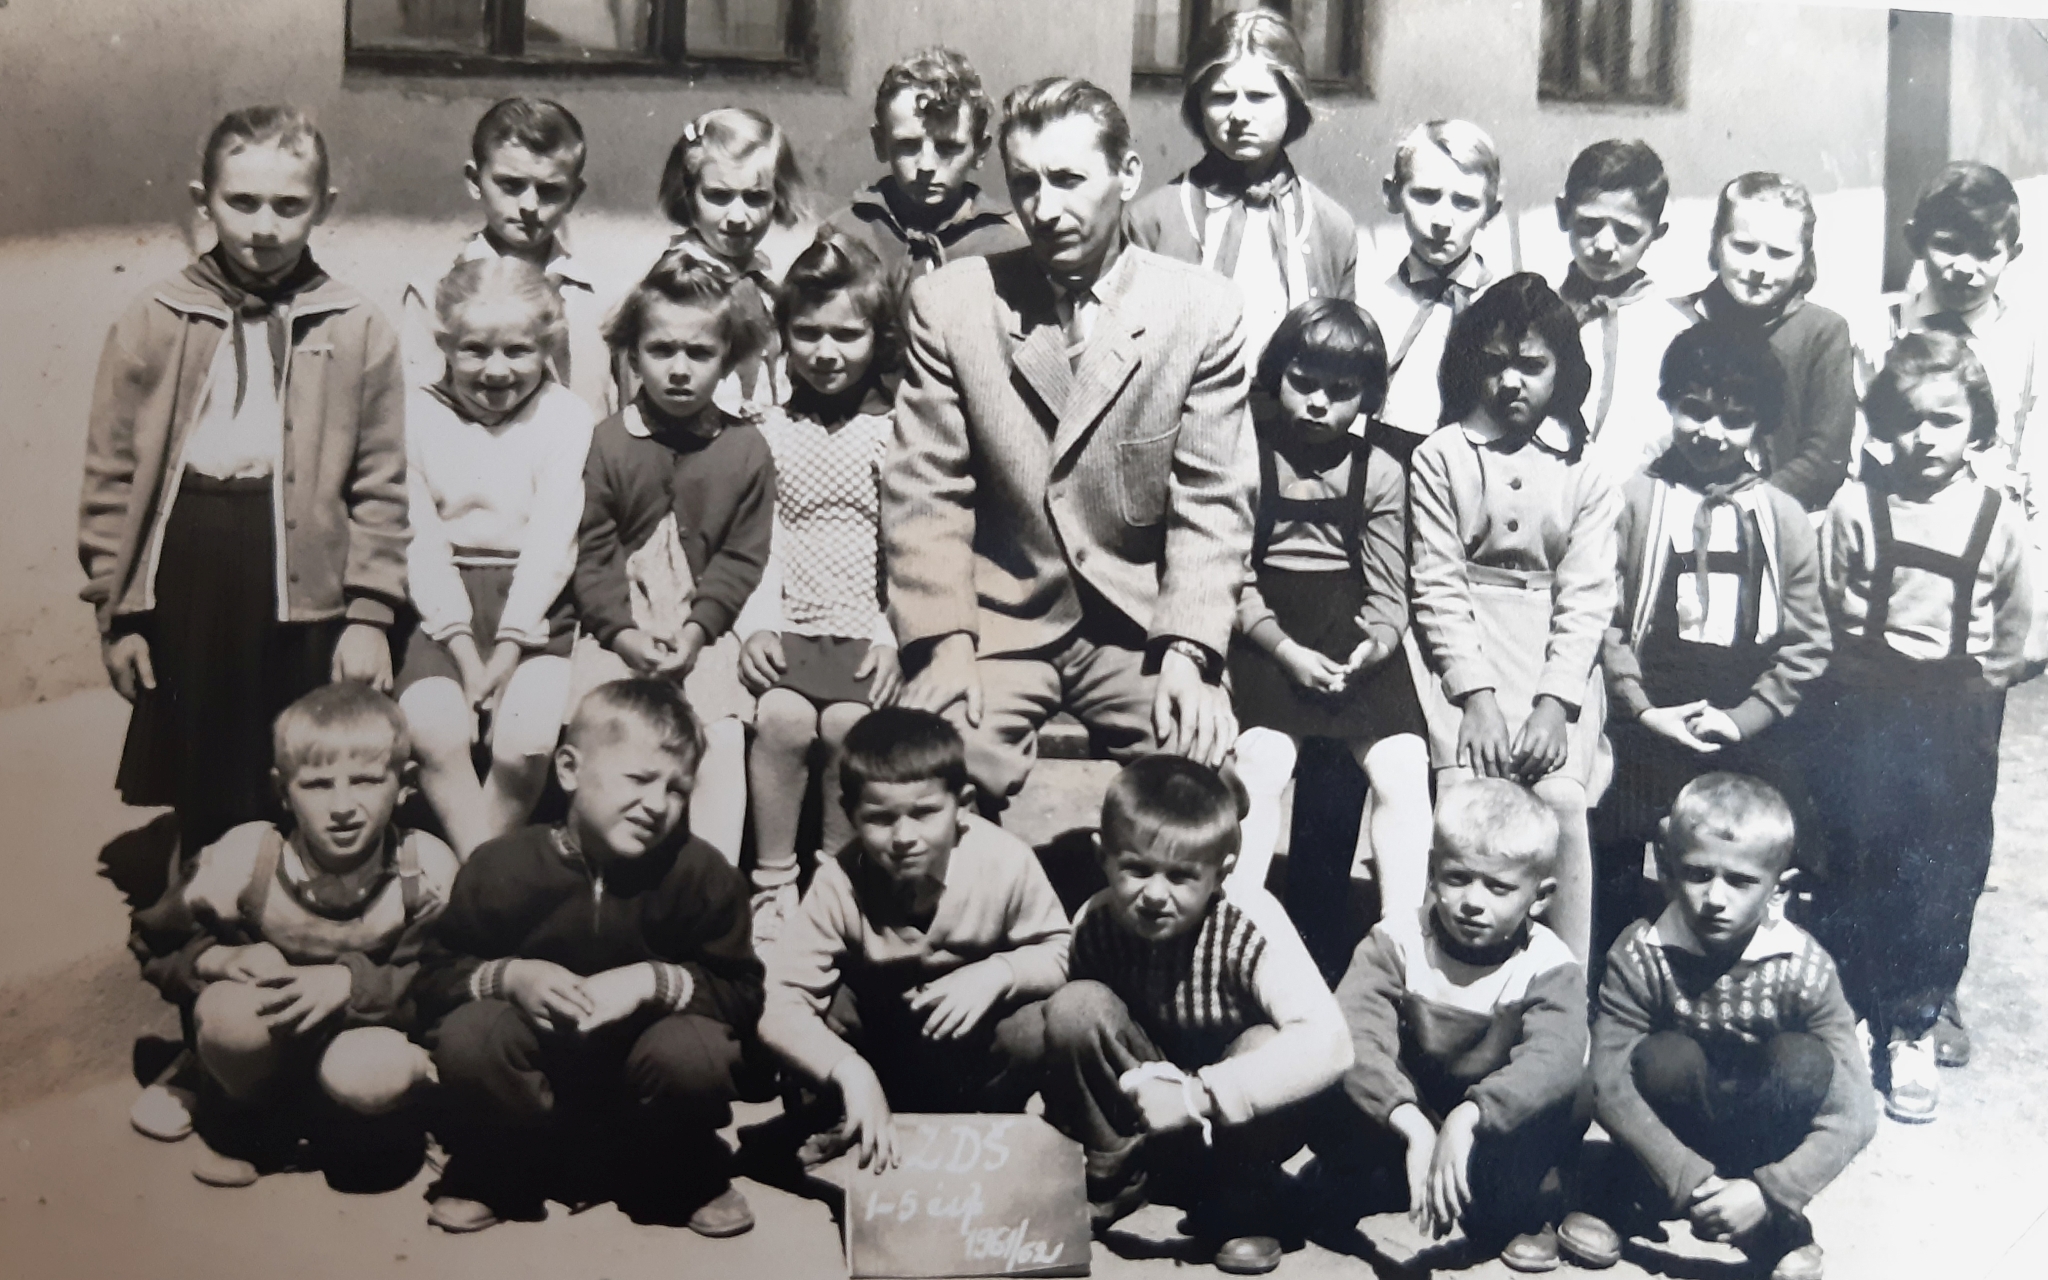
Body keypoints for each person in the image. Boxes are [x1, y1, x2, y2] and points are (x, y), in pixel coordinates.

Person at [886, 77, 1251, 808]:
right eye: (1025, 183)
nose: (1045, 209)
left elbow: (1212, 506)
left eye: (1068, 179)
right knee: (925, 779)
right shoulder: (953, 304)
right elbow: (927, 493)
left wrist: (1189, 654)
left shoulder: (1202, 311)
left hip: (1140, 631)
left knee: (1197, 791)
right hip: (998, 623)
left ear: (1128, 175)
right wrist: (945, 642)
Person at [81, 104, 406, 858]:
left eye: (289, 205)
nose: (264, 226)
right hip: (191, 562)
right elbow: (110, 477)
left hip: (306, 574)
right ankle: (200, 892)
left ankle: (296, 894)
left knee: (300, 755)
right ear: (204, 201)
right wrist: (117, 612)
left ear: (324, 206)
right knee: (203, 757)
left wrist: (370, 614)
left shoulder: (356, 325)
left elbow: (381, 484)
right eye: (243, 202)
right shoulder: (156, 316)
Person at [414, 679, 763, 1236]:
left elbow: (742, 995)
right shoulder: (500, 867)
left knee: (695, 1051)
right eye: (639, 779)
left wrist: (655, 982)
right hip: (533, 1087)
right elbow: (433, 979)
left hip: (645, 1087)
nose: (658, 804)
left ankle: (681, 1167)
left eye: (677, 788)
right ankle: (497, 1165)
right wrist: (511, 977)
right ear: (570, 769)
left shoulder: (702, 876)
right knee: (472, 1036)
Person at [1809, 332, 2031, 1120]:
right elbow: (1825, 607)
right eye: (1907, 420)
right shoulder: (1854, 507)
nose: (1925, 438)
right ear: (1880, 425)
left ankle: (1915, 1019)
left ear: (1977, 426)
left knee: (1942, 870)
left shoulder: (1996, 516)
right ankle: (1848, 1008)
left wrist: (1983, 689)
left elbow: (2016, 624)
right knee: (1856, 854)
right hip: (1865, 702)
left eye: (1945, 420)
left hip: (1954, 714)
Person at [1037, 755, 1351, 1275]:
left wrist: (1196, 1096)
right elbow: (1082, 1039)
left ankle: (1244, 1196)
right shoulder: (1095, 919)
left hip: (1236, 1118)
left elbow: (1332, 1043)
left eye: (1182, 876)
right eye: (1137, 869)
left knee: (1265, 1041)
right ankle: (1117, 1176)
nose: (1155, 895)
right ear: (1103, 856)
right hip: (1149, 1106)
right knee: (1076, 1006)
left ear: (1221, 873)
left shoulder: (1249, 920)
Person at [132, 684, 455, 1188]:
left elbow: (446, 976)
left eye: (367, 780)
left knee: (372, 1079)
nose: (343, 806)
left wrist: (350, 984)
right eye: (318, 785)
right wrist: (217, 960)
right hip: (274, 1028)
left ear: (405, 784)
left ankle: (373, 1115)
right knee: (231, 1022)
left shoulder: (424, 869)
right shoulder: (249, 859)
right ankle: (239, 1108)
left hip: (370, 1027)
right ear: (282, 790)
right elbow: (156, 939)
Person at [1566, 774, 1875, 1280]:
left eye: (1740, 881)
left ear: (1779, 888)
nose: (1715, 897)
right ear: (1668, 871)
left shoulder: (1804, 967)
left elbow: (1855, 1111)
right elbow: (1607, 1081)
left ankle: (1772, 1220)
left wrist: (1770, 1190)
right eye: (1698, 873)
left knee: (1804, 1060)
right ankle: (1633, 1194)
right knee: (1663, 1057)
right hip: (1672, 1126)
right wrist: (1691, 1180)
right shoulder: (1641, 953)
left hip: (1759, 1137)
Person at [1594, 325, 1829, 965]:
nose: (1711, 432)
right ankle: (1614, 976)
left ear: (1761, 425)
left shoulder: (1782, 516)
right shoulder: (1635, 501)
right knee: (1615, 833)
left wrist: (1743, 718)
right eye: (1694, 409)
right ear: (1670, 402)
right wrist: (1642, 709)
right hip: (1652, 705)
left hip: (1743, 711)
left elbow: (1806, 643)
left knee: (1766, 840)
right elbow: (1608, 619)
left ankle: (1740, 974)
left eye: (1734, 418)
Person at [1409, 273, 1621, 965]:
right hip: (1463, 656)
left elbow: (1587, 596)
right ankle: (1439, 978)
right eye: (1495, 363)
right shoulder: (1440, 456)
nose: (1510, 382)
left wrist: (1554, 706)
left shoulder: (1587, 470)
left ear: (1562, 371)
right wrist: (1475, 698)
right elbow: (1436, 583)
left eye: (1531, 365)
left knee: (1561, 800)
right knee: (1464, 805)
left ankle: (1565, 982)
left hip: (1551, 663)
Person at [758, 708, 1070, 1168]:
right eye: (880, 818)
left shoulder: (1006, 862)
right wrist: (849, 1070)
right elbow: (778, 1000)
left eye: (925, 813)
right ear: (850, 815)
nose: (904, 837)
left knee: (1038, 1022)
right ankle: (843, 1117)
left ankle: (985, 1132)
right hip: (882, 1044)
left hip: (969, 1045)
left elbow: (1061, 951)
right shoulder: (839, 881)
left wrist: (998, 972)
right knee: (827, 1004)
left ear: (963, 805)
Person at [1224, 299, 1430, 972]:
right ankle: (1235, 933)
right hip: (1266, 631)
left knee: (1402, 766)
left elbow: (1389, 589)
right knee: (1261, 761)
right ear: (1276, 375)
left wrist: (1376, 644)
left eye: (1341, 392)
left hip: (1350, 631)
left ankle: (1400, 946)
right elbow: (1231, 575)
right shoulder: (1246, 456)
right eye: (1303, 383)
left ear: (1368, 396)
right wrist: (1283, 650)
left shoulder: (1381, 470)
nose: (1318, 403)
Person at [1328, 779, 1588, 1275]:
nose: (1472, 901)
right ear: (1431, 872)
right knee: (1332, 1063)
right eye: (1457, 877)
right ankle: (1370, 1177)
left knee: (1574, 1090)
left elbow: (1554, 1058)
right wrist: (1408, 1119)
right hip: (1409, 1111)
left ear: (1540, 897)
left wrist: (1471, 1115)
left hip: (1491, 1126)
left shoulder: (1549, 963)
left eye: (1498, 887)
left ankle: (1525, 1204)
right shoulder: (1398, 939)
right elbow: (1354, 1030)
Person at [572, 251, 775, 865]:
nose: (680, 370)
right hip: (616, 624)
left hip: (702, 626)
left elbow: (740, 558)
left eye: (700, 353)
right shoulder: (608, 442)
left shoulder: (746, 448)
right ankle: (601, 871)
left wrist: (696, 631)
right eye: (661, 351)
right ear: (633, 357)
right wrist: (622, 633)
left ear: (729, 359)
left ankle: (712, 882)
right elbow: (593, 552)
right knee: (605, 726)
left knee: (721, 734)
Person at [396, 257, 593, 859]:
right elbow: (420, 540)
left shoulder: (564, 416)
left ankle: (474, 876)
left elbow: (553, 541)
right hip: (440, 607)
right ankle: (481, 875)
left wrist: (507, 649)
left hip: (536, 609)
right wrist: (462, 649)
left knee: (526, 743)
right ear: (444, 344)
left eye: (518, 350)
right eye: (476, 350)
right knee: (434, 726)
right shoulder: (414, 413)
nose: (497, 370)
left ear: (547, 347)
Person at [740, 232, 903, 942]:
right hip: (791, 622)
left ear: (879, 337)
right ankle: (773, 883)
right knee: (780, 718)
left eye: (847, 334)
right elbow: (759, 539)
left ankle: (837, 880)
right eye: (807, 333)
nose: (826, 352)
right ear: (783, 335)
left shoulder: (896, 432)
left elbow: (908, 548)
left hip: (867, 629)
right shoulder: (768, 431)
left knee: (845, 727)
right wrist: (758, 622)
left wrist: (893, 636)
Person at [1855, 163, 2046, 657]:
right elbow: (1855, 452)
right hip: (1893, 550)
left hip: (1985, 556)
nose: (1965, 266)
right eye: (1949, 246)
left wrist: (2037, 598)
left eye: (1986, 252)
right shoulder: (1879, 328)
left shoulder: (2029, 342)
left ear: (2013, 254)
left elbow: (2037, 469)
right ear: (1915, 241)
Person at [1123, 6, 1357, 356]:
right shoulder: (1151, 221)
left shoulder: (1331, 226)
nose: (1240, 115)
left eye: (1259, 97)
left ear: (1292, 102)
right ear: (1198, 106)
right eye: (1222, 97)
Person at [398, 98, 612, 410]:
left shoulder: (600, 299)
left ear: (574, 195)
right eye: (511, 185)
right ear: (475, 182)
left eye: (549, 190)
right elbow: (418, 408)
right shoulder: (433, 292)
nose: (529, 206)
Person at [1676, 173, 1856, 514]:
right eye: (1743, 247)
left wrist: (1746, 510)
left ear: (1803, 261)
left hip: (1780, 517)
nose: (1759, 267)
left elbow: (1824, 456)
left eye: (1779, 254)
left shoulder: (1822, 333)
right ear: (1715, 243)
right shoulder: (1675, 319)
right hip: (1676, 511)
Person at [826, 47, 1026, 299]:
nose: (926, 166)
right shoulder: (846, 234)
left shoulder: (1007, 248)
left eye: (948, 148)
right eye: (908, 146)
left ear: (980, 151)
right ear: (880, 143)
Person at [1552, 139, 1694, 481]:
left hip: (1631, 497)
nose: (1603, 245)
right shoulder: (1535, 313)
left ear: (1656, 234)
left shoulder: (1674, 333)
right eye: (1589, 224)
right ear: (1563, 213)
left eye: (1627, 232)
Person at [652, 107, 807, 412]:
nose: (737, 217)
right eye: (719, 196)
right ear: (688, 195)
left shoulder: (761, 285)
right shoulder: (680, 283)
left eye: (756, 197)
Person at [1359, 119, 1501, 440]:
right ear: (1392, 195)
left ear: (1491, 212)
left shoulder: (1506, 307)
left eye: (1465, 203)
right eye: (1426, 196)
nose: (1442, 221)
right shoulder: (1371, 303)